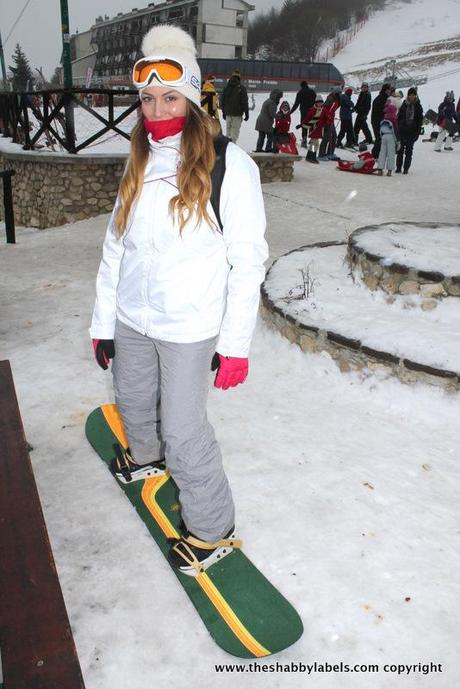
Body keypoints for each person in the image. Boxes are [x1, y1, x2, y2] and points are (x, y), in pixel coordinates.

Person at [89, 24, 268, 575]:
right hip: (133, 317)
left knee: (185, 429)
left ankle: (212, 530)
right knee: (133, 398)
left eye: (169, 96)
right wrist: (105, 323)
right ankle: (145, 457)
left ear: (192, 98)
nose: (156, 108)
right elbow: (116, 246)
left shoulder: (230, 166)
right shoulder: (139, 160)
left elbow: (248, 261)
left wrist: (235, 345)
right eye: (146, 98)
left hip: (189, 326)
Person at [396, 86, 423, 174]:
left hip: (412, 132)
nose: (411, 96)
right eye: (410, 95)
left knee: (409, 152)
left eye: (413, 95)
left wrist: (417, 134)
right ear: (408, 96)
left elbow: (419, 121)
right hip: (402, 131)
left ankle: (406, 169)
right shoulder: (404, 104)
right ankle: (398, 168)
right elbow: (398, 118)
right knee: (400, 151)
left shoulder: (418, 106)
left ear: (415, 96)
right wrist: (399, 127)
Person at [220, 70, 249, 143]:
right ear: (239, 78)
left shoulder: (226, 87)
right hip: (237, 114)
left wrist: (224, 112)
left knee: (228, 132)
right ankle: (232, 149)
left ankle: (226, 147)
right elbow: (244, 102)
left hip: (228, 113)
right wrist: (246, 113)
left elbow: (222, 101)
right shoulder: (241, 88)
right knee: (234, 133)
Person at [290, 80, 317, 147]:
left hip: (304, 112)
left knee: (304, 125)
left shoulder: (300, 92)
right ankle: (312, 139)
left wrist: (290, 112)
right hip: (312, 111)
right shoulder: (312, 91)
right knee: (312, 124)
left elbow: (296, 104)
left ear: (301, 86)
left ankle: (304, 140)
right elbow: (316, 101)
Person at [298, 96, 324, 163]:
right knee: (315, 144)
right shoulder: (312, 110)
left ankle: (309, 156)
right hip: (313, 129)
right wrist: (301, 124)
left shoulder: (322, 109)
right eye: (318, 102)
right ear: (316, 102)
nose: (320, 104)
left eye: (321, 102)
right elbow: (307, 118)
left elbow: (323, 118)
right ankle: (312, 157)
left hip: (319, 129)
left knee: (313, 144)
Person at [317, 89, 341, 161]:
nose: (341, 94)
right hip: (327, 121)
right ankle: (321, 154)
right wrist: (328, 119)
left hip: (330, 121)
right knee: (327, 138)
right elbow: (327, 110)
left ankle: (330, 153)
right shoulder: (332, 100)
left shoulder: (336, 99)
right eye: (340, 93)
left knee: (334, 137)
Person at [377, 101, 398, 176]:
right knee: (390, 153)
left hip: (383, 136)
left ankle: (380, 169)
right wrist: (397, 141)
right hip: (391, 136)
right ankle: (389, 170)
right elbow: (395, 130)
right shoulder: (394, 119)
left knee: (382, 153)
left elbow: (380, 131)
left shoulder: (384, 119)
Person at [371, 83, 392, 158]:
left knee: (381, 138)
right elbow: (380, 110)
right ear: (386, 90)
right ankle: (375, 154)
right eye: (389, 89)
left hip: (378, 120)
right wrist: (387, 108)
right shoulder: (383, 98)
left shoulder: (382, 97)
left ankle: (377, 153)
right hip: (378, 120)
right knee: (379, 138)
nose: (390, 91)